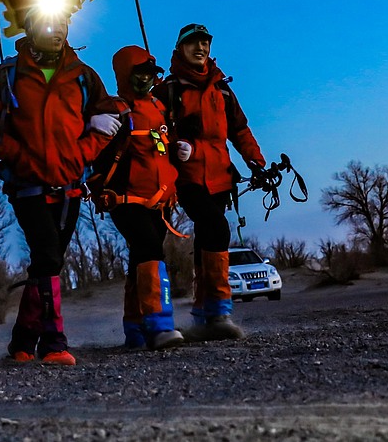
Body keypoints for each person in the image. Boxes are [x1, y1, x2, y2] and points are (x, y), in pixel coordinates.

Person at [0, 7, 116, 365]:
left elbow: (107, 117)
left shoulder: (83, 76)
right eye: (49, 25)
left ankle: (20, 344)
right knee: (48, 255)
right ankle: (53, 343)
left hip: (70, 185)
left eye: (64, 24)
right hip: (26, 185)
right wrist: (14, 153)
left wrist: (83, 153)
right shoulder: (6, 75)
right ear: (32, 27)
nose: (57, 31)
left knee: (46, 264)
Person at [157, 24, 267, 341]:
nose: (201, 48)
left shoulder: (222, 89)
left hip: (220, 177)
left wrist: (256, 161)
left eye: (205, 42)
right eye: (193, 43)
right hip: (187, 178)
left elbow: (240, 129)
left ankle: (203, 315)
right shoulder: (167, 90)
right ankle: (220, 312)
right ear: (180, 49)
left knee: (207, 239)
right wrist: (174, 143)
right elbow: (152, 133)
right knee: (218, 229)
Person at [89, 45, 185, 351]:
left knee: (139, 259)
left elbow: (160, 149)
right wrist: (93, 128)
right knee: (149, 249)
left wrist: (178, 150)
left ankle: (135, 329)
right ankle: (160, 325)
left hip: (159, 203)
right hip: (125, 200)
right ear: (124, 75)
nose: (145, 79)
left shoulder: (158, 107)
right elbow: (90, 149)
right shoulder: (112, 109)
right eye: (139, 73)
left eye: (149, 73)